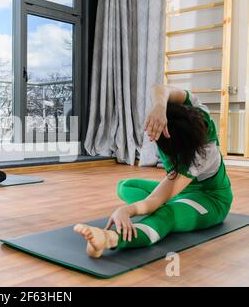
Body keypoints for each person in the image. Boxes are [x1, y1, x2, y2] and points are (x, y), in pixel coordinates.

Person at [74, 85, 233, 258]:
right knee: (125, 186)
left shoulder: (201, 155)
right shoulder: (197, 110)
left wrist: (127, 210)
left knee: (166, 214)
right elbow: (161, 89)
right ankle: (176, 207)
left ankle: (108, 239)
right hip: (181, 191)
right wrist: (160, 107)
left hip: (210, 200)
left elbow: (156, 199)